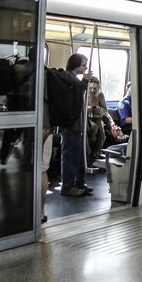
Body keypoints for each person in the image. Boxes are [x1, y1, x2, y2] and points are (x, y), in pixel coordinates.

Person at [59, 53, 93, 197]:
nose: (85, 68)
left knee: (80, 155)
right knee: (70, 158)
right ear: (75, 65)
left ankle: (79, 182)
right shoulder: (67, 78)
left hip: (79, 124)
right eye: (83, 65)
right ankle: (67, 186)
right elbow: (74, 94)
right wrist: (85, 82)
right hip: (71, 125)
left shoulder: (75, 80)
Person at [86, 77, 110, 165]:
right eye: (91, 88)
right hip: (87, 118)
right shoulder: (84, 94)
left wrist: (99, 109)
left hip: (97, 117)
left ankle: (96, 152)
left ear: (98, 88)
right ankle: (89, 151)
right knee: (92, 130)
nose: (92, 90)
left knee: (101, 134)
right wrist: (88, 109)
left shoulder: (100, 95)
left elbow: (105, 109)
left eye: (95, 89)